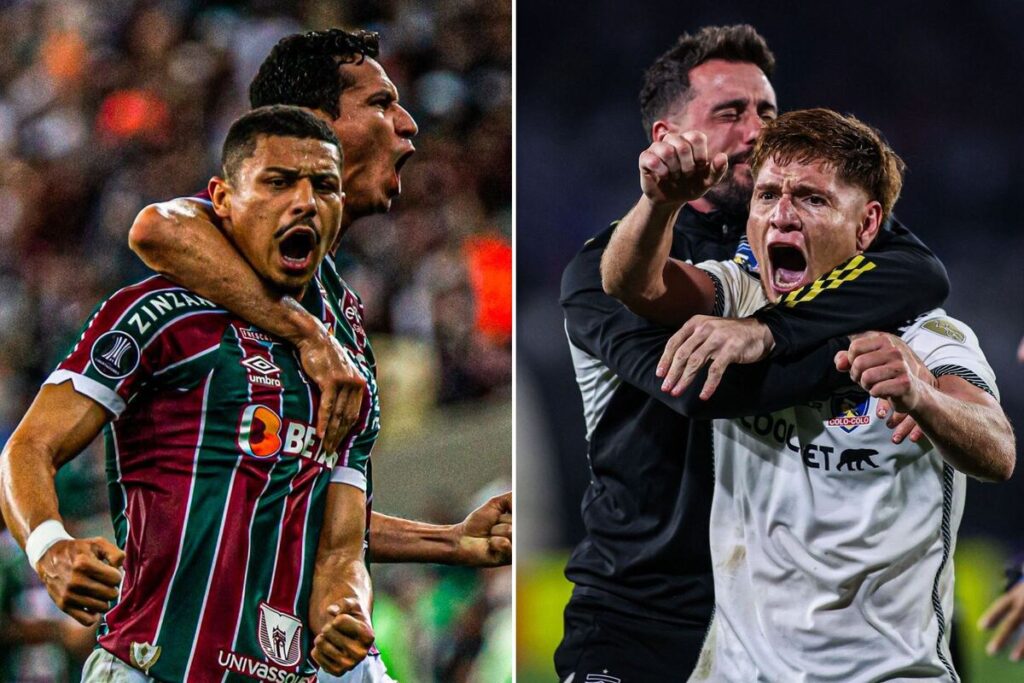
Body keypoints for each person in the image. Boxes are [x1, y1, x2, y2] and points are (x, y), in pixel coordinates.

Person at [557, 25, 948, 681]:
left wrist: (771, 330)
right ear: (667, 140)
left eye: (767, 111)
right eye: (731, 112)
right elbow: (710, 390)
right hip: (640, 614)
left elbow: (920, 270)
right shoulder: (597, 268)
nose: (758, 131)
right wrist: (854, 358)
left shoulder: (798, 227)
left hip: (777, 616)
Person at [604, 107, 1015, 681]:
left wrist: (925, 398)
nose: (782, 217)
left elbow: (997, 449)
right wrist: (658, 202)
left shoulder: (924, 334)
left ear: (868, 226)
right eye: (768, 195)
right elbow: (631, 282)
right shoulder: (738, 297)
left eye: (813, 199)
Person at [0, 106, 378, 681]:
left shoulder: (350, 370)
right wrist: (50, 546)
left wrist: (344, 611)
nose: (304, 201)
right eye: (277, 183)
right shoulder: (163, 313)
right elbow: (27, 448)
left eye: (324, 186)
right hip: (150, 668)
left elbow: (339, 547)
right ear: (222, 200)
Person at [128, 29, 512, 576]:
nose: (408, 125)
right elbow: (154, 229)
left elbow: (306, 506)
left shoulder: (343, 311)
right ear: (313, 123)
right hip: (169, 635)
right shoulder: (231, 242)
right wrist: (308, 337)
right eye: (381, 103)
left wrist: (451, 541)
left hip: (277, 636)